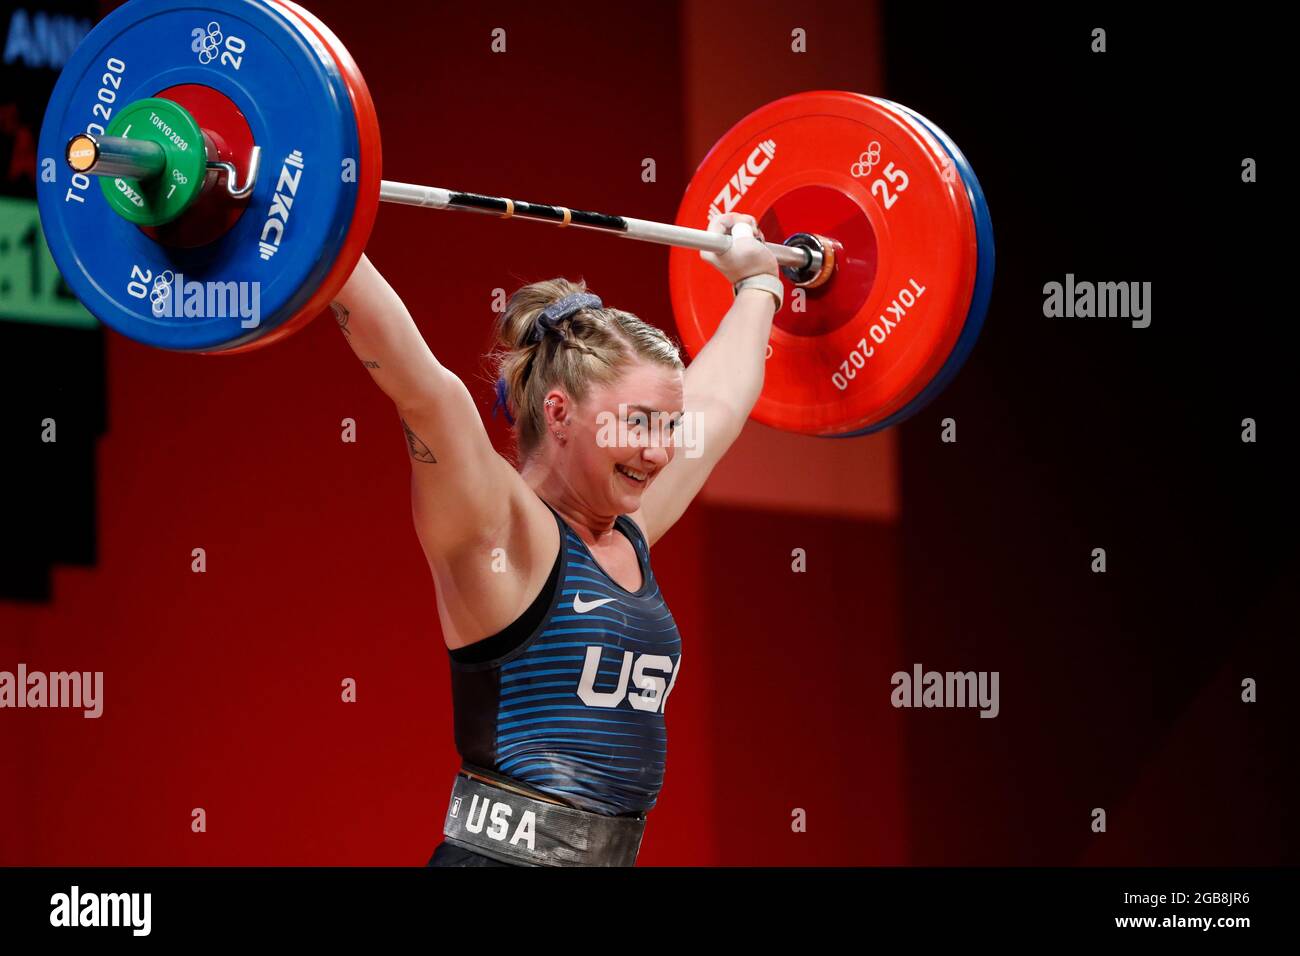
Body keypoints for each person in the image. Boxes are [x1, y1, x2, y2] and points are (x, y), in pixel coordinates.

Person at [331, 214, 783, 866]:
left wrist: (759, 283)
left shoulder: (626, 529)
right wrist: (313, 219)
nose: (660, 451)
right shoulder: (503, 531)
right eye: (640, 424)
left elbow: (721, 406)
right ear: (560, 413)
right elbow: (420, 384)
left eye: (669, 427)